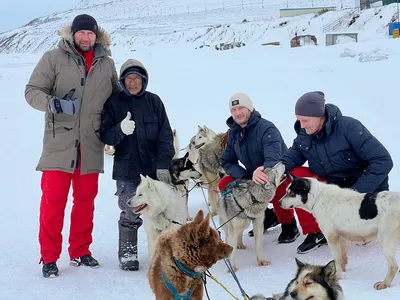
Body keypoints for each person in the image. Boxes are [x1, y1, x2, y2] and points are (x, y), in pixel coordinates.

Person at [25, 14, 120, 278]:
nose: (86, 38)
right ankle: (49, 256)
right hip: (59, 145)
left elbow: (116, 100)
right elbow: (32, 91)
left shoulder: (106, 64)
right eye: (81, 33)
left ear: (96, 35)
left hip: (91, 145)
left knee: (85, 203)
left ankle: (80, 251)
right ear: (73, 35)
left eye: (90, 33)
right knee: (53, 204)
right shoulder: (53, 58)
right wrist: (53, 103)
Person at [254, 91, 393, 254]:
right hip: (334, 187)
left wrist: (355, 195)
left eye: (305, 120)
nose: (302, 125)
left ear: (320, 116)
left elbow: (383, 161)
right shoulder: (304, 134)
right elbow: (291, 158)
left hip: (363, 190)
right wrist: (273, 170)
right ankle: (316, 231)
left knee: (365, 233)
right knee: (297, 173)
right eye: (299, 120)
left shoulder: (349, 128)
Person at [100, 59, 175, 271]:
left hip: (153, 170)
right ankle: (128, 254)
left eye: (137, 79)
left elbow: (165, 136)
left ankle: (163, 252)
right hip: (127, 170)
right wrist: (120, 130)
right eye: (128, 79)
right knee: (130, 210)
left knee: (161, 213)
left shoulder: (154, 102)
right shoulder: (114, 103)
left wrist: (163, 165)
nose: (133, 83)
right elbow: (105, 135)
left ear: (144, 80)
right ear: (123, 81)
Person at [219, 93, 300, 243]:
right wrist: (244, 176)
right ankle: (267, 215)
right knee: (225, 183)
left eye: (241, 108)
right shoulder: (233, 134)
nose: (237, 113)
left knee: (274, 185)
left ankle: (289, 225)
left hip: (277, 172)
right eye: (233, 110)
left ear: (249, 108)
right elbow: (226, 161)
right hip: (252, 174)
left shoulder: (266, 129)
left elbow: (274, 159)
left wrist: (263, 170)